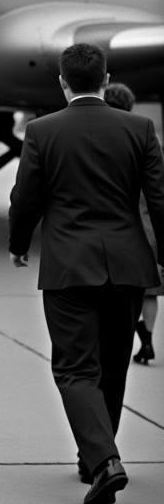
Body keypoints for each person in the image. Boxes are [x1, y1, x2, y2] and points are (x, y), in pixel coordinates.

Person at [9, 44, 164, 504]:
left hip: (69, 266)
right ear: (105, 77)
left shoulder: (42, 131)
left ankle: (103, 460)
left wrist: (19, 245)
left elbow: (25, 197)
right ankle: (93, 456)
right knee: (113, 363)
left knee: (76, 368)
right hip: (128, 265)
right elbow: (159, 199)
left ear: (62, 82)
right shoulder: (139, 128)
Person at [102, 82, 161, 366]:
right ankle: (147, 338)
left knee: (115, 292)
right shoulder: (145, 134)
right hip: (147, 227)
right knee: (150, 290)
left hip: (115, 230)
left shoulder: (100, 139)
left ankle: (120, 341)